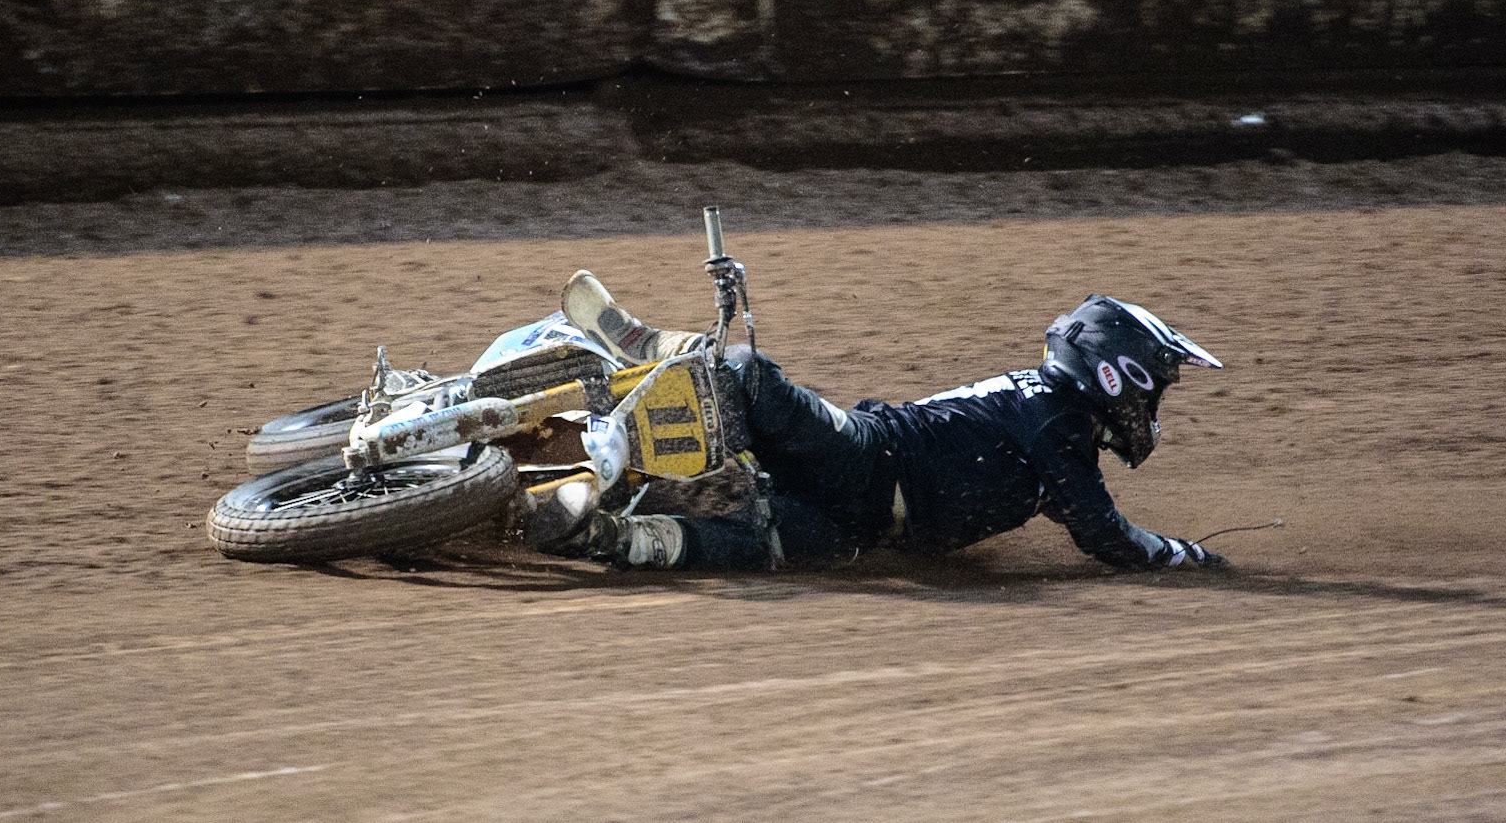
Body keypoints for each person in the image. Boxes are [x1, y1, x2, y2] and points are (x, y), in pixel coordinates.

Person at [527, 270, 1230, 574]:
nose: (1154, 404)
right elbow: (1107, 537)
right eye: (1156, 385)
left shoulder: (1050, 424)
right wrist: (1187, 554)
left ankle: (595, 529)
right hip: (865, 460)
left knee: (743, 545)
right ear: (1117, 373)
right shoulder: (1057, 426)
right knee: (745, 373)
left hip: (860, 527)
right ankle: (654, 352)